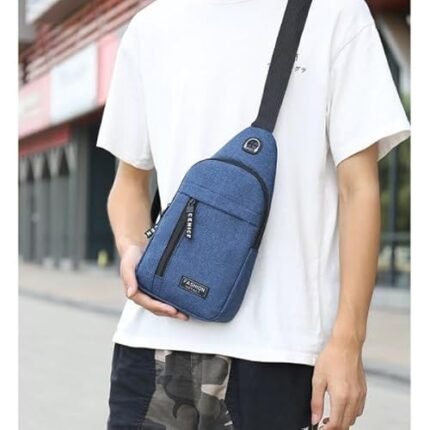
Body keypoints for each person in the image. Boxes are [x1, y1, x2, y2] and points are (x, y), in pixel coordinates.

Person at [96, 0, 411, 428]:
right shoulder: (149, 28)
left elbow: (359, 190)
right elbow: (129, 184)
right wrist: (132, 247)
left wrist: (348, 341)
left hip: (281, 352)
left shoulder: (334, 13)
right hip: (153, 344)